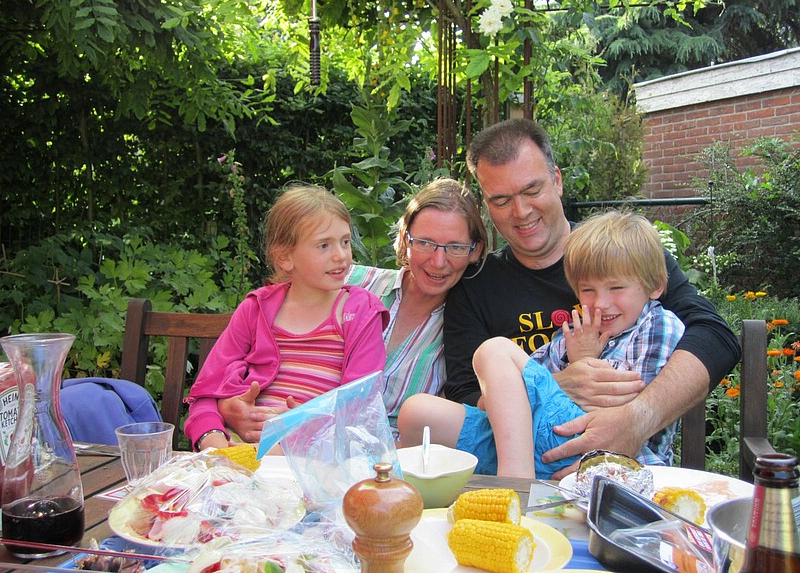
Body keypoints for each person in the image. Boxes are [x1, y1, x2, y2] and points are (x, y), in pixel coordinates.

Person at [441, 118, 740, 478]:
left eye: (532, 190)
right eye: (501, 200)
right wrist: (550, 388)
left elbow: (714, 335)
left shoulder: (620, 254)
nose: (520, 212)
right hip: (521, 453)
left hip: (619, 461)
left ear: (557, 180)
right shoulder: (475, 286)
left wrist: (636, 420)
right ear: (486, 204)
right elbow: (464, 391)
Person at [399, 211, 684, 479]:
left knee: (494, 351)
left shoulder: (658, 325)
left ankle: (516, 483)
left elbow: (625, 406)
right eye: (587, 290)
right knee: (416, 413)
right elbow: (522, 388)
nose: (601, 303)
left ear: (655, 286)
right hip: (533, 445)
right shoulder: (578, 331)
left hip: (602, 453)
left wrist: (582, 362)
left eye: (616, 288)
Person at [215, 178, 489, 442]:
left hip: (388, 460)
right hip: (285, 441)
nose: (438, 261)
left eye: (455, 247)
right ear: (406, 240)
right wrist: (232, 407)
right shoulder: (348, 281)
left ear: (475, 251)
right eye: (425, 243)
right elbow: (270, 336)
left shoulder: (467, 330)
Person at [184, 184, 389, 451]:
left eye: (345, 241)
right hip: (240, 445)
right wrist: (211, 440)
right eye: (324, 245)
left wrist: (303, 422)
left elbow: (360, 405)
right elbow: (205, 393)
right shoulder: (256, 309)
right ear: (285, 258)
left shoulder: (361, 311)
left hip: (318, 451)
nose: (341, 255)